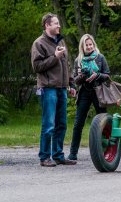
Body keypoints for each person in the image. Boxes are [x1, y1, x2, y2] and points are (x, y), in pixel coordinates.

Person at [31, 13, 77, 167]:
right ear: (47, 25)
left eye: (58, 23)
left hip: (62, 88)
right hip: (48, 89)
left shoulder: (61, 41)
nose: (59, 26)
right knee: (49, 124)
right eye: (56, 23)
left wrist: (71, 84)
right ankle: (44, 157)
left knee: (61, 124)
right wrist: (55, 57)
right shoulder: (39, 43)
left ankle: (58, 155)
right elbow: (36, 67)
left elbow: (67, 65)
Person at [68, 34, 110, 161]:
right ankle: (73, 153)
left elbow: (107, 75)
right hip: (85, 92)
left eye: (91, 44)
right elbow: (75, 80)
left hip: (99, 92)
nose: (89, 47)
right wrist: (81, 76)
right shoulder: (78, 60)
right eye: (86, 45)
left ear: (94, 44)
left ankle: (106, 151)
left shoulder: (100, 57)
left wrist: (97, 75)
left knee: (104, 123)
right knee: (78, 124)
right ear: (82, 46)